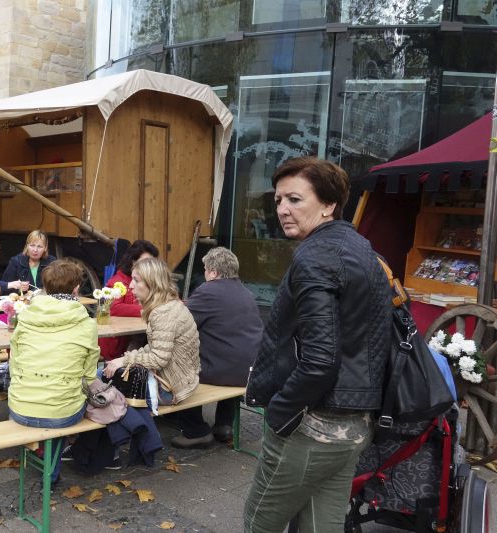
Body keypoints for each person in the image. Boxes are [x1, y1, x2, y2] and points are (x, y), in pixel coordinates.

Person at [243, 157, 391, 532]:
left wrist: (280, 412)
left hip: (312, 427)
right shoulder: (361, 248)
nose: (282, 209)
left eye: (295, 199)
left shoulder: (315, 257)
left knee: (259, 523)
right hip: (354, 425)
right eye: (278, 200)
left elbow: (321, 360)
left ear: (328, 204)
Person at [8, 260, 100, 483]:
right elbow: (89, 376)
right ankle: (53, 473)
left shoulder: (25, 316)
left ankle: (47, 465)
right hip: (62, 413)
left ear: (45, 287)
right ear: (76, 289)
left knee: (55, 400)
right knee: (67, 401)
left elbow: (14, 363)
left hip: (20, 407)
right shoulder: (87, 323)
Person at [173, 247, 262, 448]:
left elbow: (180, 321)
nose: (204, 273)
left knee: (178, 366)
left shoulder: (208, 291)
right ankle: (224, 425)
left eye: (205, 269)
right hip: (250, 370)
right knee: (229, 355)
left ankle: (196, 431)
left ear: (213, 272)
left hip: (224, 371)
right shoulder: (246, 292)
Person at [103, 257, 200, 406]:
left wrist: (124, 361)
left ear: (153, 283)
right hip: (182, 381)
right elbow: (156, 347)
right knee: (108, 372)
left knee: (102, 381)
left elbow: (159, 358)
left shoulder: (162, 314)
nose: (130, 286)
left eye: (136, 280)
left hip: (169, 389)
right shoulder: (169, 304)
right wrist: (125, 358)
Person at [98, 239, 159, 361]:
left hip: (140, 336)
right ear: (133, 261)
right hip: (118, 343)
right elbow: (113, 307)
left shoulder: (151, 281)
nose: (147, 266)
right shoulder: (118, 281)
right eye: (144, 262)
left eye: (151, 262)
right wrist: (147, 309)